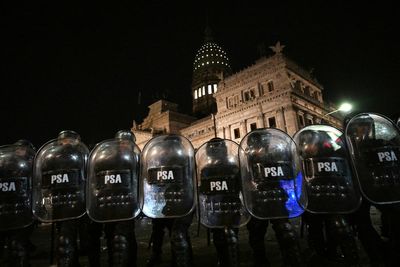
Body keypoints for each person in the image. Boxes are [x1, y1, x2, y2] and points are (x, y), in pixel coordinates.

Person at [243, 130, 304, 267]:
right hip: (256, 201)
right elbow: (242, 180)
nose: (261, 149)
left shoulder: (275, 157)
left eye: (263, 145)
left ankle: (292, 259)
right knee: (256, 234)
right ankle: (260, 259)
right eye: (259, 145)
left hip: (276, 199)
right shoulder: (245, 161)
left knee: (286, 232)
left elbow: (290, 173)